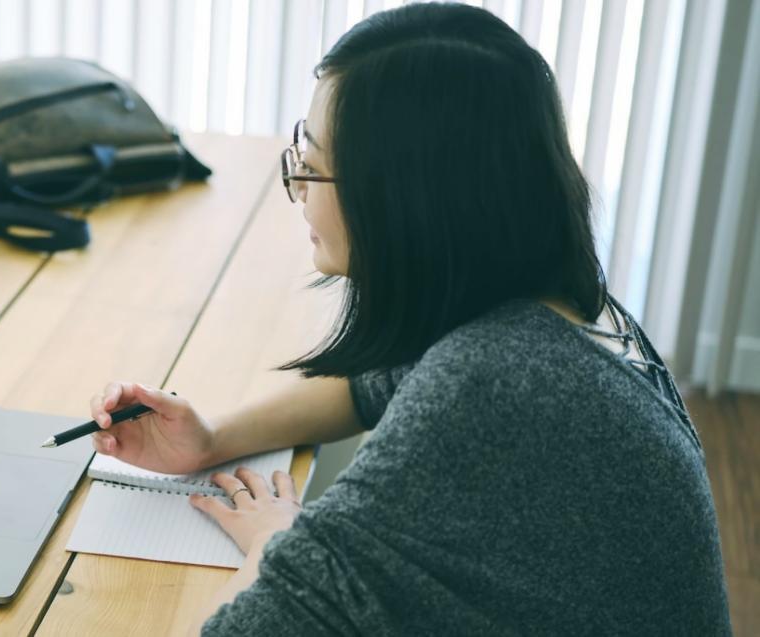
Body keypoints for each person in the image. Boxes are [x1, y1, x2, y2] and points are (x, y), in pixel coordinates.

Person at [86, 5, 729, 634]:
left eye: (314, 163)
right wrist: (213, 437)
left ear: (405, 195)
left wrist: (281, 543)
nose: (301, 186)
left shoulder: (498, 385)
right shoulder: (561, 312)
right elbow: (377, 384)